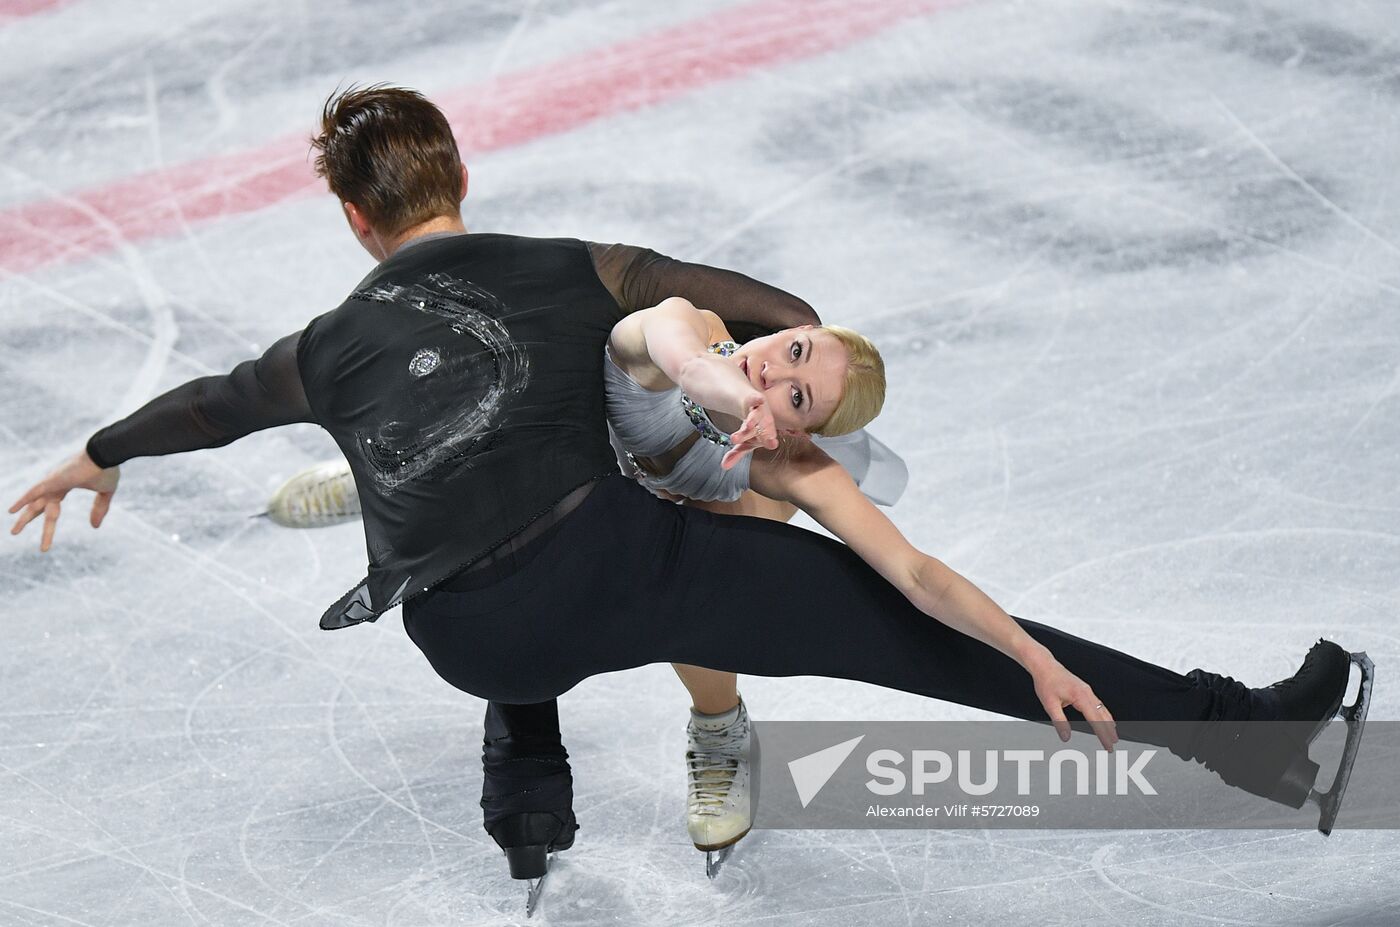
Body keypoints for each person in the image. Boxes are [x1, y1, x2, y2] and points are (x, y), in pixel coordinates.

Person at [9, 86, 1370, 904]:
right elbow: (765, 311)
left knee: (468, 474)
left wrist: (100, 452)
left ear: (356, 225)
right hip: (623, 568)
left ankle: (525, 773)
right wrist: (779, 377)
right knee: (858, 602)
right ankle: (1246, 732)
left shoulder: (320, 344)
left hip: (458, 636)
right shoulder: (582, 265)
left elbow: (206, 408)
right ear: (461, 185)